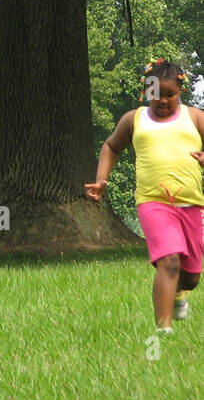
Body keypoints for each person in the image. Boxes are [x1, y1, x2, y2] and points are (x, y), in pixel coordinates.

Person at [86, 59, 204, 334]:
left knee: (191, 277)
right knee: (169, 261)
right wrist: (102, 179)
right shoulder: (135, 119)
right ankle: (163, 330)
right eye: (155, 94)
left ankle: (178, 294)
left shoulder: (195, 117)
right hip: (153, 202)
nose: (162, 100)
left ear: (180, 91)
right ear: (145, 92)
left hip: (192, 204)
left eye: (169, 94)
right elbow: (111, 147)